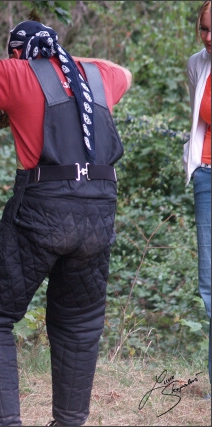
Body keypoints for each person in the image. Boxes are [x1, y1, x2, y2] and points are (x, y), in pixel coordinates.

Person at [0, 20, 131, 426]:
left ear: (17, 52)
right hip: (100, 213)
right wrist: (69, 60)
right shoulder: (97, 77)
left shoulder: (16, 73)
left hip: (44, 209)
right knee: (79, 323)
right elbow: (125, 71)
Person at [185, 0, 211, 391]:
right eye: (204, 28)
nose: (209, 38)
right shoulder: (198, 63)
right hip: (206, 175)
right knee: (210, 283)